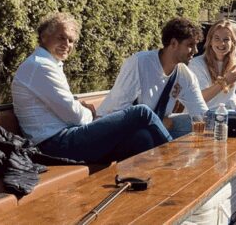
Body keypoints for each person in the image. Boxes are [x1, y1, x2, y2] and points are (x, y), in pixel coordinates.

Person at [12, 13, 172, 164]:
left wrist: (81, 109)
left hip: (61, 139)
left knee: (141, 138)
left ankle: (157, 185)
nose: (67, 44)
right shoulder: (40, 66)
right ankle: (177, 157)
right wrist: (90, 114)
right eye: (61, 38)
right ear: (44, 37)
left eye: (71, 40)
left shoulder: (46, 64)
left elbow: (66, 108)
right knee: (141, 112)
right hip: (54, 144)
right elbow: (75, 116)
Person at [97, 17, 208, 136]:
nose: (196, 51)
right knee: (143, 136)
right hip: (114, 129)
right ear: (174, 43)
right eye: (190, 45)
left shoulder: (185, 75)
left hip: (150, 127)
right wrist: (156, 122)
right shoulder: (140, 63)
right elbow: (118, 111)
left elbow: (201, 113)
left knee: (196, 123)